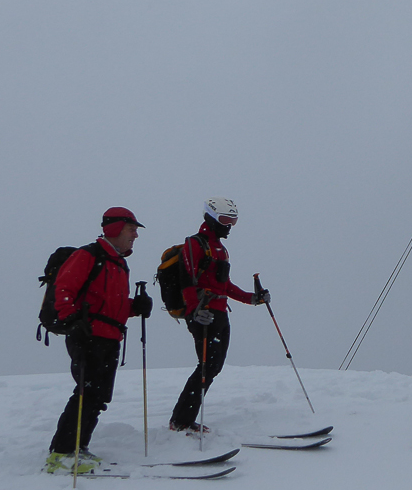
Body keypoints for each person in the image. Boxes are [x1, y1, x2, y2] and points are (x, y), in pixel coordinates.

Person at [46, 207, 153, 473]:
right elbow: (64, 289)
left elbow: (111, 304)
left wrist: (135, 307)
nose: (135, 235)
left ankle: (78, 448)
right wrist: (72, 321)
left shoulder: (118, 264)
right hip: (88, 335)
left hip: (110, 337)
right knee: (87, 392)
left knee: (98, 396)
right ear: (115, 228)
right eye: (131, 229)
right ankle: (61, 454)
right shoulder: (88, 255)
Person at [167, 197, 270, 432]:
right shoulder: (194, 244)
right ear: (211, 218)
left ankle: (183, 419)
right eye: (225, 220)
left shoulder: (221, 250)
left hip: (220, 313)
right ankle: (180, 421)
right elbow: (186, 279)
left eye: (233, 221)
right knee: (207, 365)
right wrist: (195, 310)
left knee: (214, 366)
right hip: (203, 313)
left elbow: (225, 286)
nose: (229, 226)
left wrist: (252, 298)